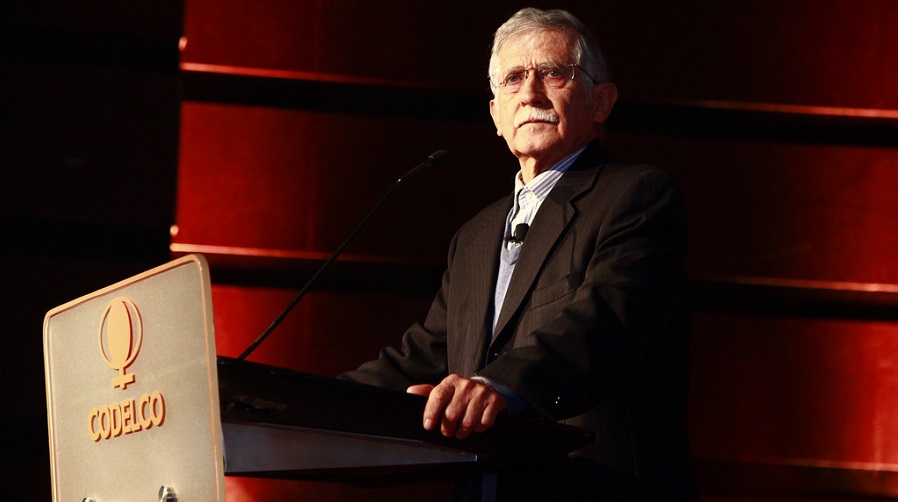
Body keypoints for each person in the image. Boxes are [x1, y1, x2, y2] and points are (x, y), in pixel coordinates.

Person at [341, 7, 694, 501]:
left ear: (601, 102)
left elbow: (605, 320)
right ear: (495, 116)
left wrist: (499, 384)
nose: (530, 93)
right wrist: (284, 401)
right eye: (513, 79)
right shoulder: (475, 237)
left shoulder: (637, 196)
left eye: (553, 73)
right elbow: (422, 358)